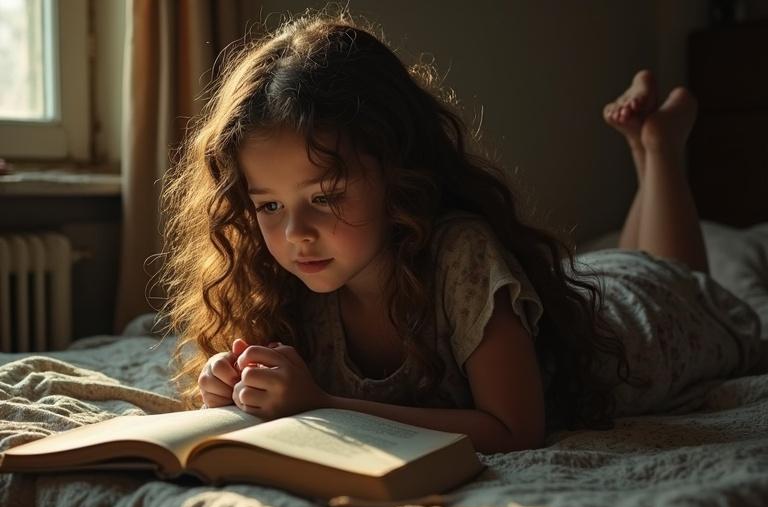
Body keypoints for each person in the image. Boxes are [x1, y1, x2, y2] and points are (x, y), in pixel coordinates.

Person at [159, 11, 765, 454]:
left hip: (639, 326)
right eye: (267, 206)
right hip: (590, 293)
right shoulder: (282, 283)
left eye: (326, 197)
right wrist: (236, 384)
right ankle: (647, 147)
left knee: (671, 276)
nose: (296, 234)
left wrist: (323, 404)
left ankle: (658, 147)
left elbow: (515, 429)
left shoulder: (459, 254)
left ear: (396, 172)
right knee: (621, 263)